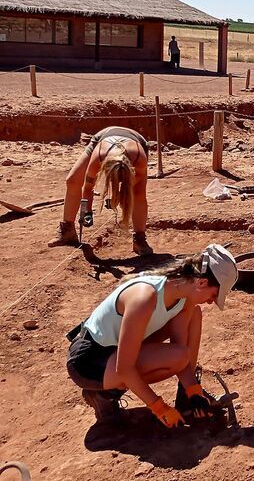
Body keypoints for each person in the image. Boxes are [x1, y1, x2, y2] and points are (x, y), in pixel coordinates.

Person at [65, 244, 238, 426]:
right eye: (213, 295)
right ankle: (105, 394)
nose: (211, 302)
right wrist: (159, 408)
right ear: (202, 282)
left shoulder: (184, 297)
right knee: (176, 357)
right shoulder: (145, 298)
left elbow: (182, 353)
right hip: (89, 360)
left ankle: (185, 399)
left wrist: (193, 391)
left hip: (116, 351)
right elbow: (124, 368)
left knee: (192, 321)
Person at [48, 126, 153, 255]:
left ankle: (140, 239)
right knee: (73, 180)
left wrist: (121, 195)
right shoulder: (98, 157)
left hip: (136, 142)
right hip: (103, 139)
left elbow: (137, 191)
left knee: (137, 194)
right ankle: (67, 230)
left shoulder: (139, 160)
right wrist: (87, 212)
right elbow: (87, 188)